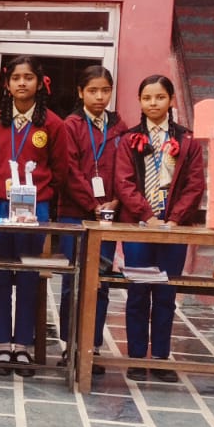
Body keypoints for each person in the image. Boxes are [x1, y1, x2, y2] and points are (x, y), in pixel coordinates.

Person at [114, 74, 205, 381]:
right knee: (138, 290)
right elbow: (124, 182)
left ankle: (162, 359)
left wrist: (175, 219)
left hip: (173, 227)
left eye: (160, 97)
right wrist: (147, 216)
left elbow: (194, 185)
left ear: (171, 100)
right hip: (139, 226)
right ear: (140, 102)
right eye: (147, 98)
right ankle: (137, 357)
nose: (153, 103)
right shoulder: (129, 140)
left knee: (166, 293)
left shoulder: (188, 141)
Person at [0, 56, 67, 377]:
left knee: (29, 276)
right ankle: (2, 344)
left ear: (40, 83)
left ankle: (22, 345)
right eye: (16, 77)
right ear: (7, 85)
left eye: (28, 77)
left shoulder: (53, 124)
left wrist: (41, 197)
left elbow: (59, 170)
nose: (22, 82)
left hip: (35, 209)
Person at [58, 64, 123, 374]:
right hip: (75, 214)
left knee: (100, 281)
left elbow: (126, 169)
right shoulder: (70, 126)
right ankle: (70, 344)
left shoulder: (119, 127)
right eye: (93, 91)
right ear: (80, 92)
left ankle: (92, 346)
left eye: (105, 91)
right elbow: (69, 170)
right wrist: (92, 203)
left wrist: (115, 201)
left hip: (108, 216)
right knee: (73, 281)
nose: (99, 97)